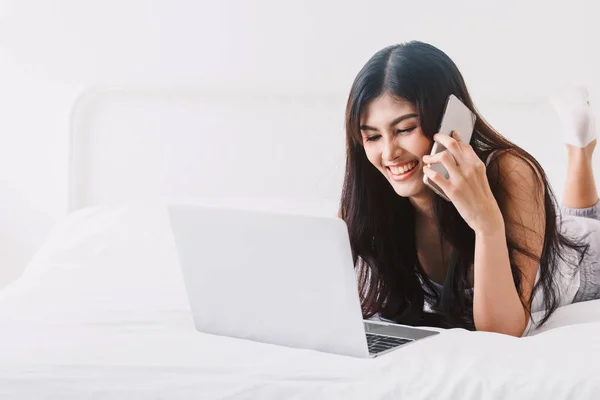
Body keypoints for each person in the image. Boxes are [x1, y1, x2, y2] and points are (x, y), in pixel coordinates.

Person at [338, 40, 600, 337]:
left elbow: (501, 331)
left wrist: (486, 224)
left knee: (586, 224)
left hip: (585, 259)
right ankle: (580, 145)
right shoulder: (369, 195)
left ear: (451, 122)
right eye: (372, 137)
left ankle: (580, 151)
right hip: (552, 232)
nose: (389, 153)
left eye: (405, 129)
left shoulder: (510, 171)